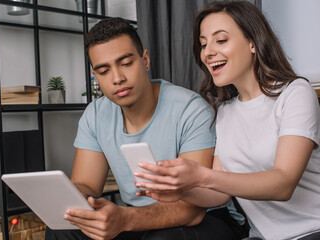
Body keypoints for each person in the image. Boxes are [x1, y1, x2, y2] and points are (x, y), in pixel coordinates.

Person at [134, 1, 320, 240]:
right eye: (203, 44)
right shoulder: (225, 111)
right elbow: (219, 195)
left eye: (220, 40)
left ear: (253, 43)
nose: (207, 52)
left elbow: (283, 183)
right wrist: (180, 191)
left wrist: (201, 176)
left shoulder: (295, 93)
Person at [45, 17, 244, 240]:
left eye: (126, 63)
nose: (117, 78)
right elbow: (86, 184)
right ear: (95, 76)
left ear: (145, 60)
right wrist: (74, 204)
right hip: (137, 218)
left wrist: (124, 219)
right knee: (61, 231)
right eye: (104, 71)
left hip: (207, 218)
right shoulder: (96, 114)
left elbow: (192, 209)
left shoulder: (191, 110)